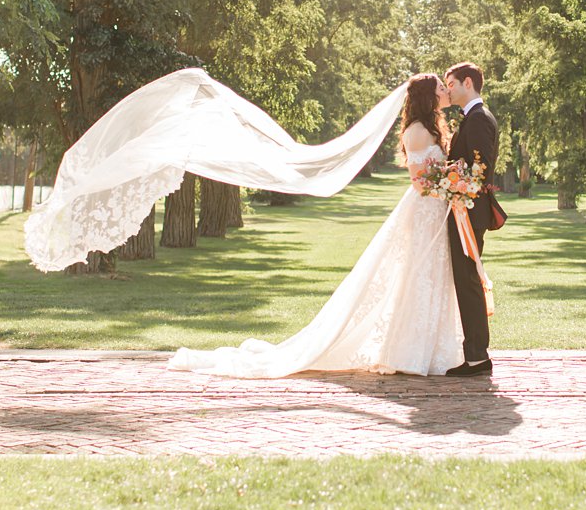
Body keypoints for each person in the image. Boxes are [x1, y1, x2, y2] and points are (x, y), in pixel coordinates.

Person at [166, 73, 466, 377]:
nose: (446, 91)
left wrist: (451, 183)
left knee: (431, 275)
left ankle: (430, 349)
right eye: (441, 88)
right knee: (416, 275)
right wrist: (449, 184)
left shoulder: (432, 127)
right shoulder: (416, 131)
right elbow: (418, 181)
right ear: (428, 96)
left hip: (435, 210)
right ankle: (407, 352)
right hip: (423, 210)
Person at [441, 61, 506, 377]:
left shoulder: (479, 119)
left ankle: (478, 357)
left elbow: (480, 170)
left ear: (467, 83)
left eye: (450, 83)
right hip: (463, 206)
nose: (448, 89)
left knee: (468, 281)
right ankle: (476, 354)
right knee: (466, 280)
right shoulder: (474, 118)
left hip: (468, 210)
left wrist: (452, 180)